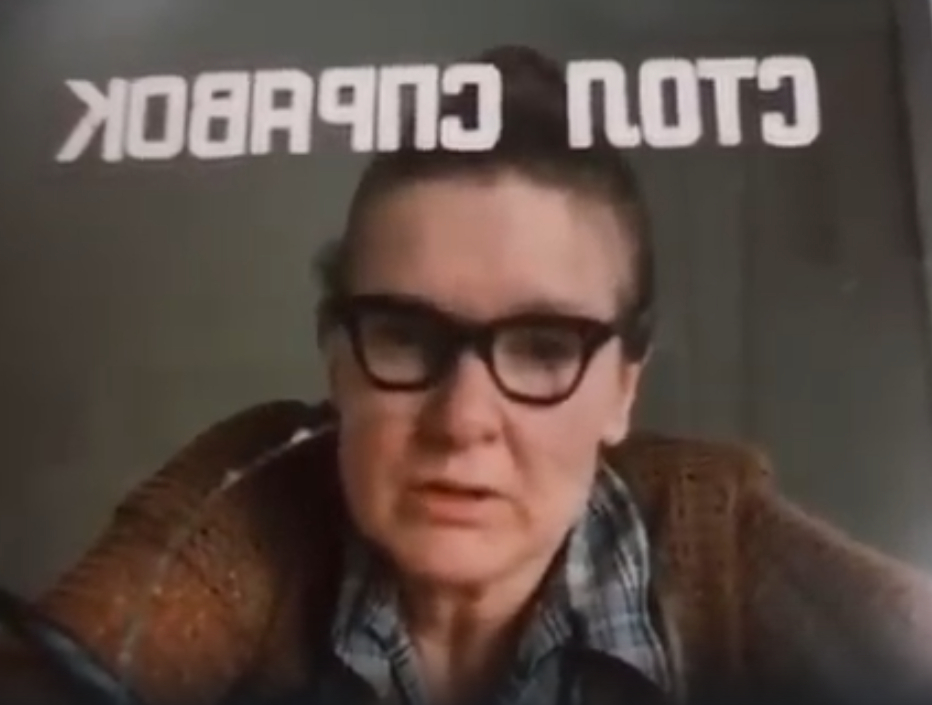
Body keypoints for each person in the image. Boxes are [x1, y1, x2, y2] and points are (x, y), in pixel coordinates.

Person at [4, 45, 932, 705]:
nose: (463, 418)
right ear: (338, 359)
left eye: (544, 346)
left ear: (624, 387)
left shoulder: (725, 543)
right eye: (406, 336)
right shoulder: (243, 508)